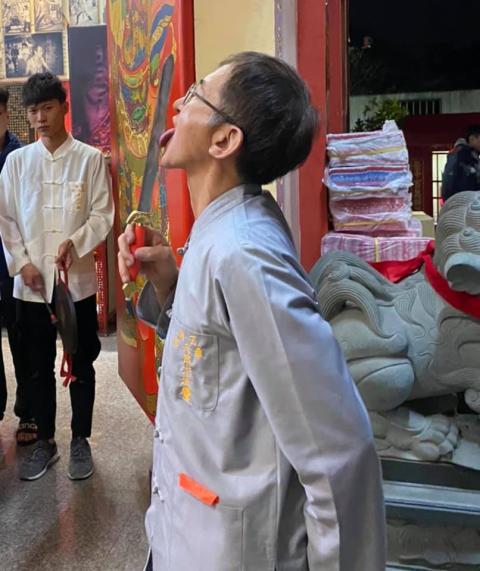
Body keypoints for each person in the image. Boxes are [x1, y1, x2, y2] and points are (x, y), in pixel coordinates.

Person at [118, 52, 385, 570]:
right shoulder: (219, 233)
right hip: (184, 535)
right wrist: (170, 283)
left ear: (224, 140)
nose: (177, 104)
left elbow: (337, 452)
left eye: (195, 94)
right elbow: (222, 365)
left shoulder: (245, 254)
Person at [0, 73, 114, 481]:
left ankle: (80, 439)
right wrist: (22, 264)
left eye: (47, 108)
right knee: (36, 366)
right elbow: (6, 219)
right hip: (30, 285)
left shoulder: (89, 159)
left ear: (64, 107)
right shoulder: (17, 163)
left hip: (75, 284)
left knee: (81, 361)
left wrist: (76, 242)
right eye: (33, 111)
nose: (40, 118)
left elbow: (102, 214)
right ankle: (45, 441)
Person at [0, 87, 36, 444]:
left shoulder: (22, 157)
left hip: (13, 266)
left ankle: (29, 413)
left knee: (22, 339)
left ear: (5, 114)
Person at [441, 124, 480, 201]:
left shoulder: (471, 155)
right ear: (472, 138)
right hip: (462, 201)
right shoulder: (462, 154)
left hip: (465, 201)